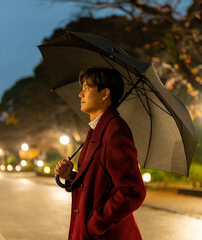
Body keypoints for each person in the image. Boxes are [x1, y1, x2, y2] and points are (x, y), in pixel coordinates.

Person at [55, 67, 146, 240]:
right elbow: (99, 181)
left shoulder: (115, 130)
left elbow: (133, 191)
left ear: (104, 94)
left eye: (87, 88)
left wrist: (96, 224)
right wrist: (71, 176)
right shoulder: (96, 129)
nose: (80, 94)